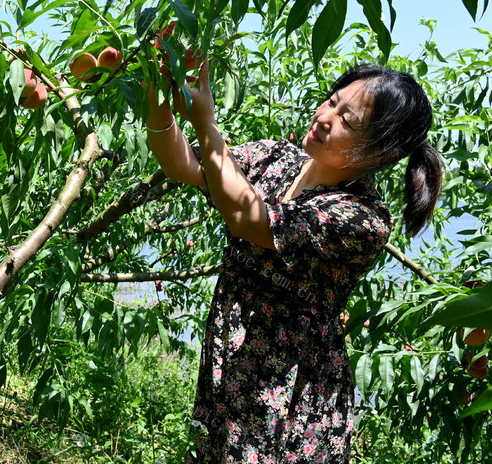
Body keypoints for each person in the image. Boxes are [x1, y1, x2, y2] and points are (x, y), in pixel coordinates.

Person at [144, 60, 443, 462]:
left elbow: (246, 218)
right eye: (331, 102)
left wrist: (206, 122)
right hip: (231, 372)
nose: (325, 117)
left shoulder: (361, 219)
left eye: (348, 121)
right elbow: (184, 164)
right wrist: (157, 90)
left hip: (289, 401)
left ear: (381, 151)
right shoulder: (276, 158)